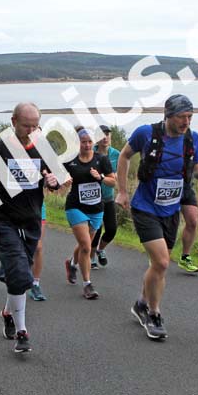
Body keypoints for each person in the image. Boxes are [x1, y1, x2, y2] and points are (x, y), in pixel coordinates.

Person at [115, 94, 198, 340]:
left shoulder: (192, 138)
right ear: (168, 115)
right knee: (162, 263)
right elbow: (124, 156)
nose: (186, 122)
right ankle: (153, 314)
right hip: (145, 208)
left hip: (171, 209)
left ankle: (142, 302)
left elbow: (195, 169)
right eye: (181, 117)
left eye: (190, 117)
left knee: (157, 266)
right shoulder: (146, 133)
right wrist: (122, 191)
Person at [0, 103, 60, 353]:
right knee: (22, 277)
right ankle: (22, 331)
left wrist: (52, 182)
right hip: (4, 220)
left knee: (17, 273)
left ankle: (7, 313)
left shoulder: (43, 147)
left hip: (31, 220)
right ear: (13, 121)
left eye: (35, 126)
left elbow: (54, 178)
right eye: (26, 126)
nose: (31, 130)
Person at [62, 128, 115, 299]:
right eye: (83, 141)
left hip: (96, 208)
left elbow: (112, 181)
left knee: (85, 244)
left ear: (94, 142)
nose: (87, 144)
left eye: (90, 141)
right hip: (75, 207)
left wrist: (100, 177)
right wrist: (63, 180)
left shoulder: (102, 159)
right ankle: (87, 284)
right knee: (86, 246)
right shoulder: (70, 160)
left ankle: (71, 263)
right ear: (78, 143)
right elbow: (57, 178)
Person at [90, 125, 120, 269]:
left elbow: (116, 176)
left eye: (107, 134)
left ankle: (100, 250)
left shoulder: (115, 154)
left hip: (108, 197)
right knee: (96, 229)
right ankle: (90, 258)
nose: (105, 137)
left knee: (112, 229)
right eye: (102, 134)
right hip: (93, 197)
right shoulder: (91, 152)